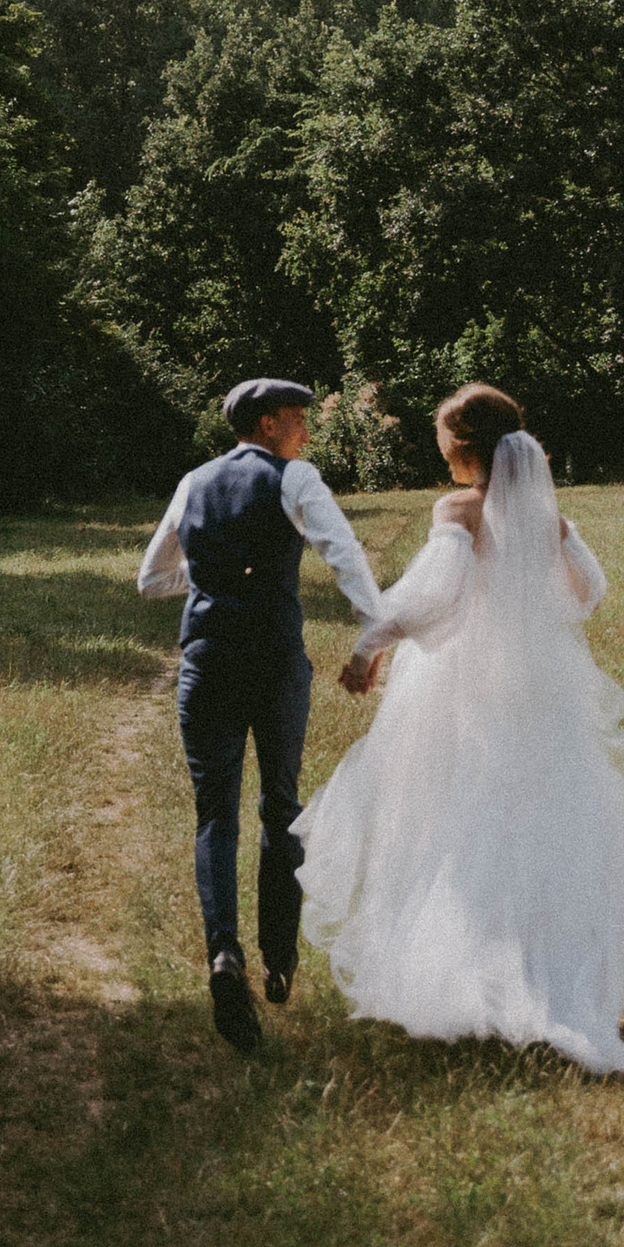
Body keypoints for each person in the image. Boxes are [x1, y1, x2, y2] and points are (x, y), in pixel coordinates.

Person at [298, 383, 624, 1076]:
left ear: (463, 448)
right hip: (540, 683)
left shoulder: (460, 508)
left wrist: (368, 645)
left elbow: (436, 598)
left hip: (464, 682)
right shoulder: (547, 516)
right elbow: (590, 590)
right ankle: (547, 976)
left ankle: (463, 976)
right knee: (537, 820)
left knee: (452, 816)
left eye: (444, 444)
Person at [139, 376, 385, 1055]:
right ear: (271, 423)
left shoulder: (193, 482)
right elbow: (344, 555)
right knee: (280, 803)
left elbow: (152, 578)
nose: (308, 432)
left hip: (207, 660)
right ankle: (280, 958)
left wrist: (217, 571)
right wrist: (375, 636)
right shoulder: (295, 479)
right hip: (274, 661)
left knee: (215, 812)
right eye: (300, 420)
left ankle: (225, 958)